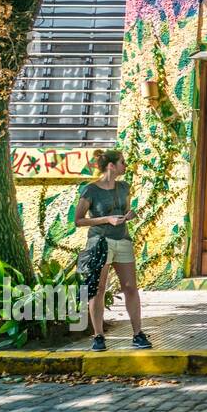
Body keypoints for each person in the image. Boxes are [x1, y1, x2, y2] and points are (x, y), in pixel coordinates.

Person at [73, 149, 151, 351]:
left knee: (130, 287)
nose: (125, 166)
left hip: (123, 240)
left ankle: (137, 334)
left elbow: (124, 211)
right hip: (99, 242)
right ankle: (98, 336)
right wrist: (106, 219)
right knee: (98, 289)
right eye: (122, 162)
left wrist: (128, 215)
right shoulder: (91, 190)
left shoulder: (124, 187)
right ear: (111, 166)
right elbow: (79, 220)